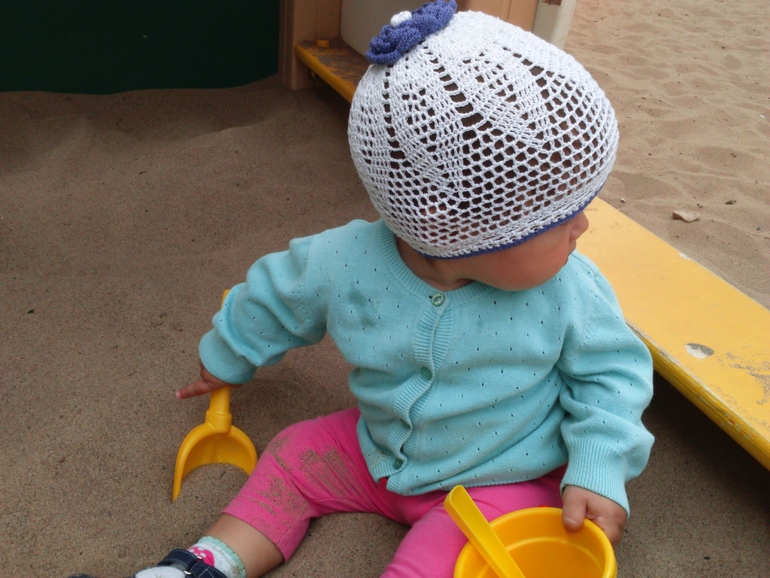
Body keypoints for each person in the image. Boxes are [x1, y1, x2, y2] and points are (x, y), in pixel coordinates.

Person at [71, 2, 654, 577]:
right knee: (293, 457)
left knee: (444, 555)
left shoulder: (570, 289)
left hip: (502, 478)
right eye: (559, 218)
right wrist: (228, 354)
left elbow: (613, 376)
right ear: (451, 224)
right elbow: (276, 294)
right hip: (376, 451)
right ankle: (206, 564)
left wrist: (597, 468)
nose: (583, 226)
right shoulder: (345, 261)